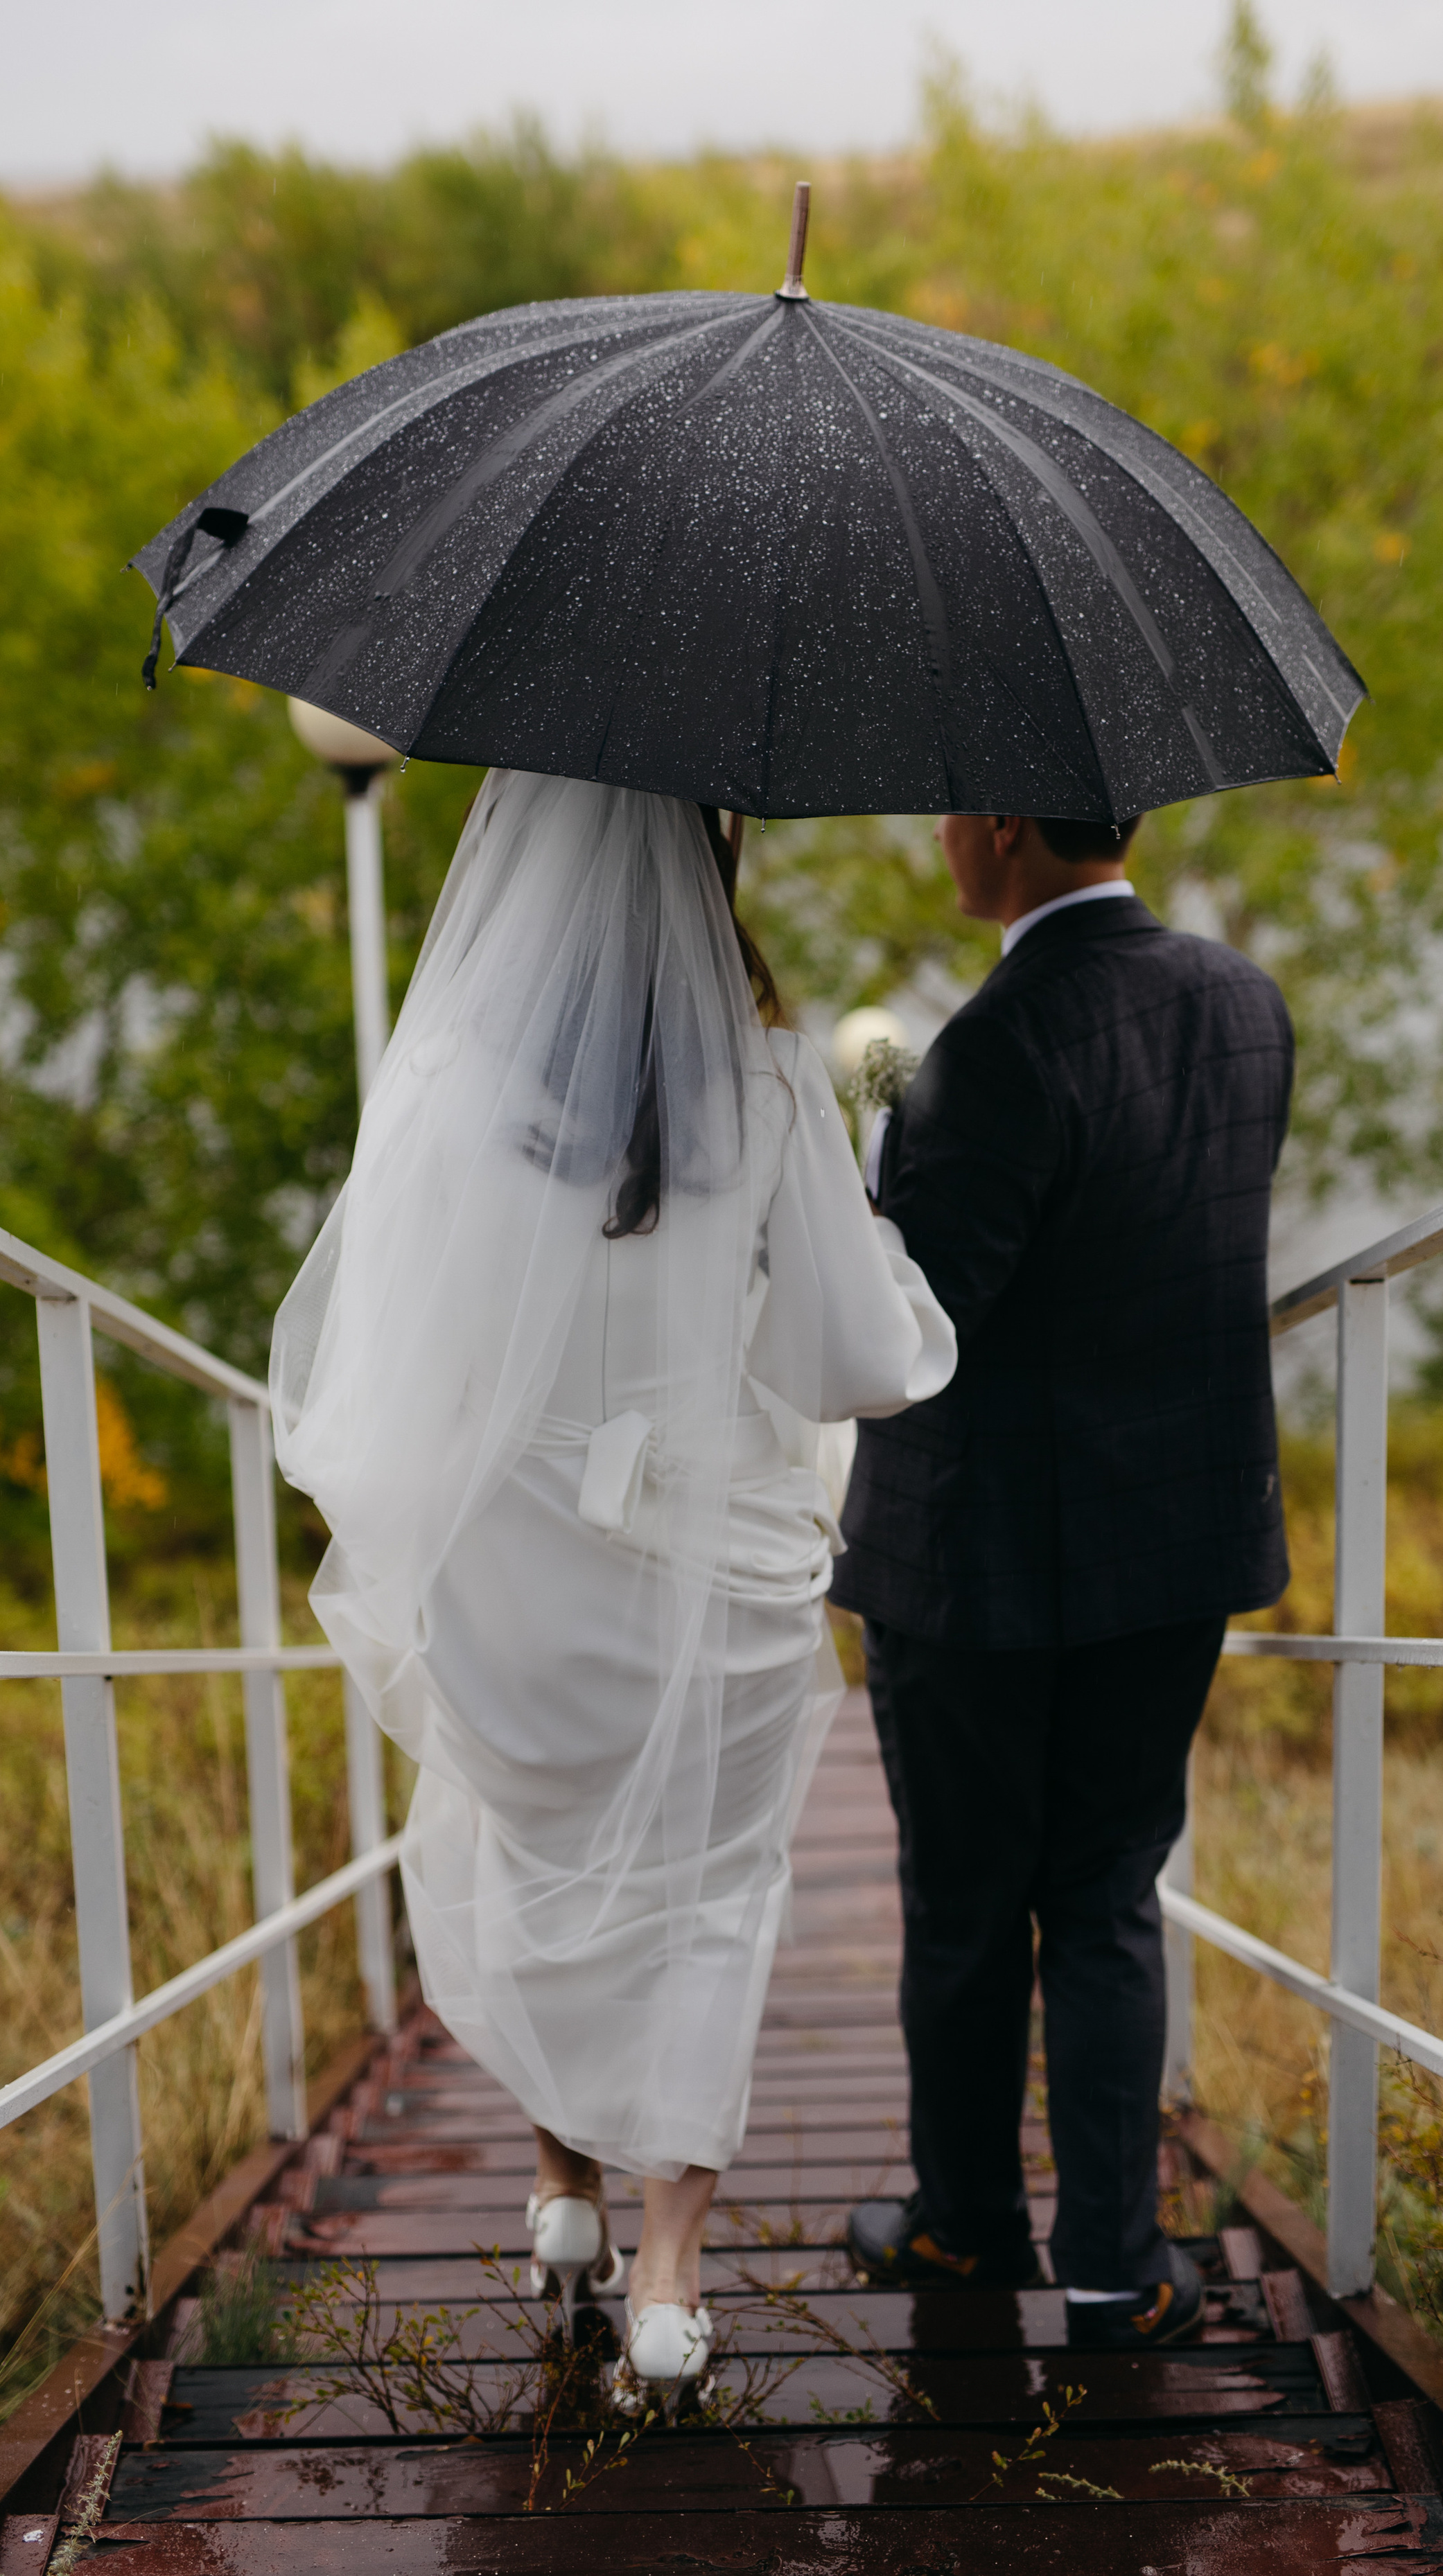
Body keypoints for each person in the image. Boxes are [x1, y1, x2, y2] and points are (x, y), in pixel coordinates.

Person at [270, 771, 954, 2407]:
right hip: (718, 1578)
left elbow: (399, 1359)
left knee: (542, 1846)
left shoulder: (441, 1080)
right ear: (712, 857)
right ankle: (664, 2277)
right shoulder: (773, 1081)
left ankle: (561, 2193)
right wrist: (882, 1254)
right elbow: (845, 1362)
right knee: (706, 1905)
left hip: (524, 1568)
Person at [832, 809, 1293, 2349]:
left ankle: (967, 2231)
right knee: (1103, 1895)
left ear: (1005, 833)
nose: (940, 840)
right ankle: (1113, 2272)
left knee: (966, 1909)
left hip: (975, 1561)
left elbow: (910, 1327)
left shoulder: (991, 1046)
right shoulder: (1241, 1004)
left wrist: (873, 1167)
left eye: (950, 815)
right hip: (1168, 1539)